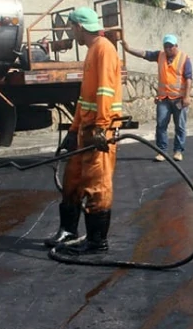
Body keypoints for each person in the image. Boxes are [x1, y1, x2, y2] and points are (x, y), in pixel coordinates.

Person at [43, 7, 124, 255]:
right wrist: (74, 129)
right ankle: (69, 231)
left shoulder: (104, 49)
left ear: (79, 27)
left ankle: (97, 242)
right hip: (85, 129)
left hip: (99, 130)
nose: (70, 32)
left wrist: (100, 127)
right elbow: (84, 97)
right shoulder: (91, 51)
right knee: (73, 181)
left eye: (70, 27)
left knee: (97, 185)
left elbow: (105, 92)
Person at [120, 34, 192, 162]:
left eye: (171, 46)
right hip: (163, 98)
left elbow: (188, 79)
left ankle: (178, 151)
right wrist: (128, 49)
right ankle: (161, 151)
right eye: (166, 46)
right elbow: (144, 54)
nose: (168, 49)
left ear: (176, 46)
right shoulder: (160, 55)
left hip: (179, 99)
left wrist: (186, 97)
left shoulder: (184, 59)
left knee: (180, 126)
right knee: (161, 125)